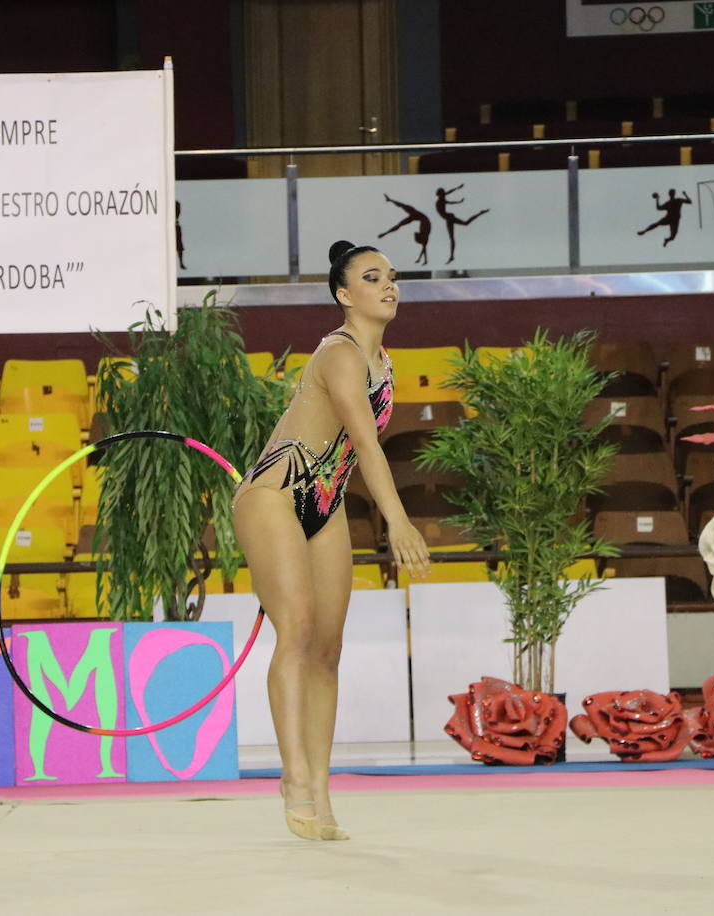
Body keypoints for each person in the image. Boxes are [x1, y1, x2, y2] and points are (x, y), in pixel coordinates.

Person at [232, 240, 431, 841]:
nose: (389, 285)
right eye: (373, 278)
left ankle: (320, 792)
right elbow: (366, 444)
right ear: (345, 295)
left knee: (327, 649)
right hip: (273, 496)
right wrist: (397, 520)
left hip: (325, 502)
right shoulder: (338, 354)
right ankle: (292, 778)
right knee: (294, 631)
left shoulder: (385, 365)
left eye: (393, 277)